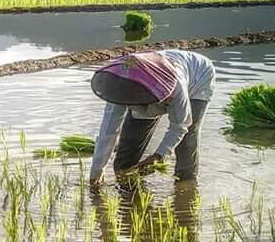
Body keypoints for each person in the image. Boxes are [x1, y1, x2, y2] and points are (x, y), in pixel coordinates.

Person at [88, 49, 215, 187]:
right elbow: (108, 131)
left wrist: (159, 155)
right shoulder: (118, 88)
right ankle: (127, 187)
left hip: (198, 77)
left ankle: (186, 183)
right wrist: (96, 173)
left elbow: (180, 126)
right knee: (131, 141)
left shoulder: (176, 86)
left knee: (187, 140)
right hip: (149, 84)